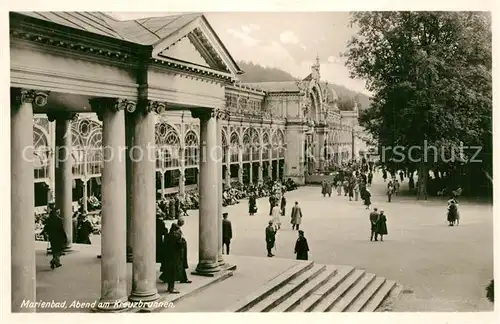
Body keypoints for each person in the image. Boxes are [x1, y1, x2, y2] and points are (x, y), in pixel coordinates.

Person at [159, 223, 183, 294]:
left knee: (169, 272)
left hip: (167, 256)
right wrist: (181, 238)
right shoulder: (176, 237)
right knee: (173, 273)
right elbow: (180, 246)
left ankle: (170, 287)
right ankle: (171, 288)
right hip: (174, 257)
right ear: (176, 230)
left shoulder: (167, 235)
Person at [176, 218, 191, 283]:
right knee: (180, 265)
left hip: (179, 250)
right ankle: (183, 279)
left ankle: (184, 278)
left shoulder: (177, 229)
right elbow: (178, 241)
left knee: (179, 265)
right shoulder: (177, 230)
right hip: (179, 251)